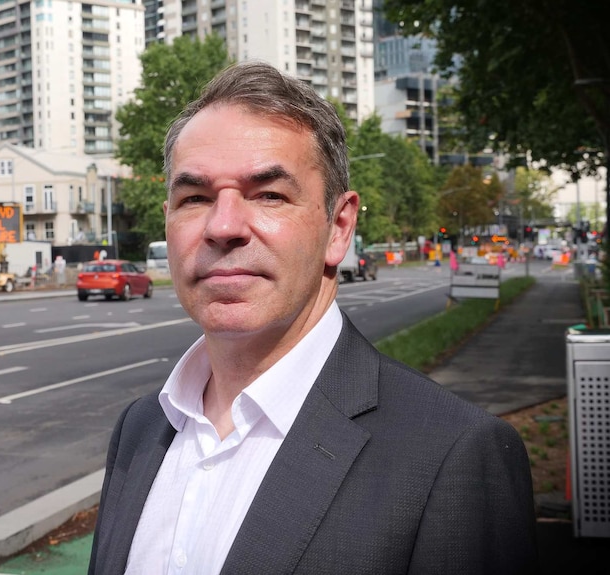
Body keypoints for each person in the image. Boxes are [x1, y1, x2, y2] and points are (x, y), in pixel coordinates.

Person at [89, 62, 537, 574]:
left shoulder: (453, 455)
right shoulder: (141, 428)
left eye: (269, 195)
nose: (224, 226)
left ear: (339, 228)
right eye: (195, 198)